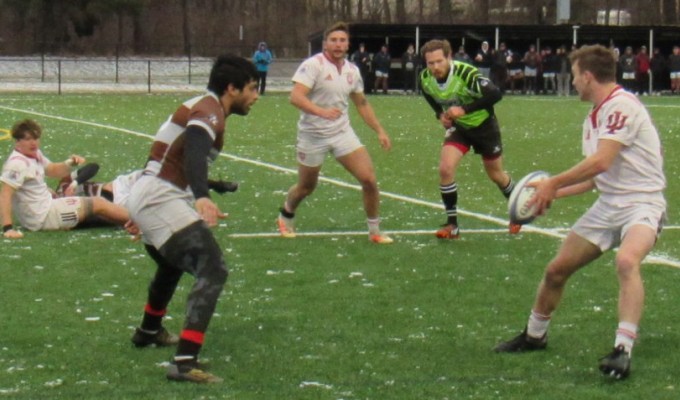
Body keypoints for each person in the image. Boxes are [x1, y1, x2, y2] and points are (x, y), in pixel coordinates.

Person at [494, 45, 666, 381]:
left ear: (587, 77)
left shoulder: (620, 107)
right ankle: (534, 335)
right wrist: (550, 193)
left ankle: (622, 350)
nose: (572, 83)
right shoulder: (595, 117)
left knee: (627, 261)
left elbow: (600, 161)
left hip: (643, 203)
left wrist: (552, 182)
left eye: (574, 76)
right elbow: (595, 178)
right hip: (608, 205)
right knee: (557, 270)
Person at [126, 54, 259, 383]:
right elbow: (195, 152)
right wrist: (202, 196)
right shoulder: (209, 110)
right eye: (253, 88)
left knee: (171, 264)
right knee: (212, 269)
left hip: (151, 193)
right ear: (232, 88)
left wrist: (213, 186)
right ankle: (184, 363)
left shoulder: (206, 107)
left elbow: (178, 159)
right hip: (160, 196)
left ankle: (149, 330)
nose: (256, 96)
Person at [276, 21, 393, 244]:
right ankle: (286, 213)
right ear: (325, 43)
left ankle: (375, 231)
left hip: (342, 133)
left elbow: (362, 104)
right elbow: (296, 97)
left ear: (348, 44)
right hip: (313, 135)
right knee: (306, 187)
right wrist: (320, 111)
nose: (338, 44)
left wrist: (380, 130)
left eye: (342, 40)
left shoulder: (352, 70)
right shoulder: (314, 65)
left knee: (369, 179)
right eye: (333, 40)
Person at [419, 39, 518, 239]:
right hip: (460, 128)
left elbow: (495, 94)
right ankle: (452, 225)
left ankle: (518, 209)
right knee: (445, 169)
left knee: (496, 175)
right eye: (431, 63)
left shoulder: (467, 73)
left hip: (484, 126)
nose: (435, 67)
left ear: (449, 57)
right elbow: (428, 94)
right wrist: (439, 114)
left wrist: (464, 109)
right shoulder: (425, 78)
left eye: (439, 61)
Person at [0, 119, 131, 239]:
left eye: (35, 138)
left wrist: (70, 163)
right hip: (44, 216)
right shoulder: (17, 164)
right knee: (98, 204)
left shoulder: (33, 154)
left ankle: (135, 222)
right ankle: (143, 223)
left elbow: (52, 170)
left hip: (46, 209)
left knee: (99, 212)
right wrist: (8, 228)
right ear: (17, 141)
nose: (33, 142)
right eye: (28, 139)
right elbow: (5, 194)